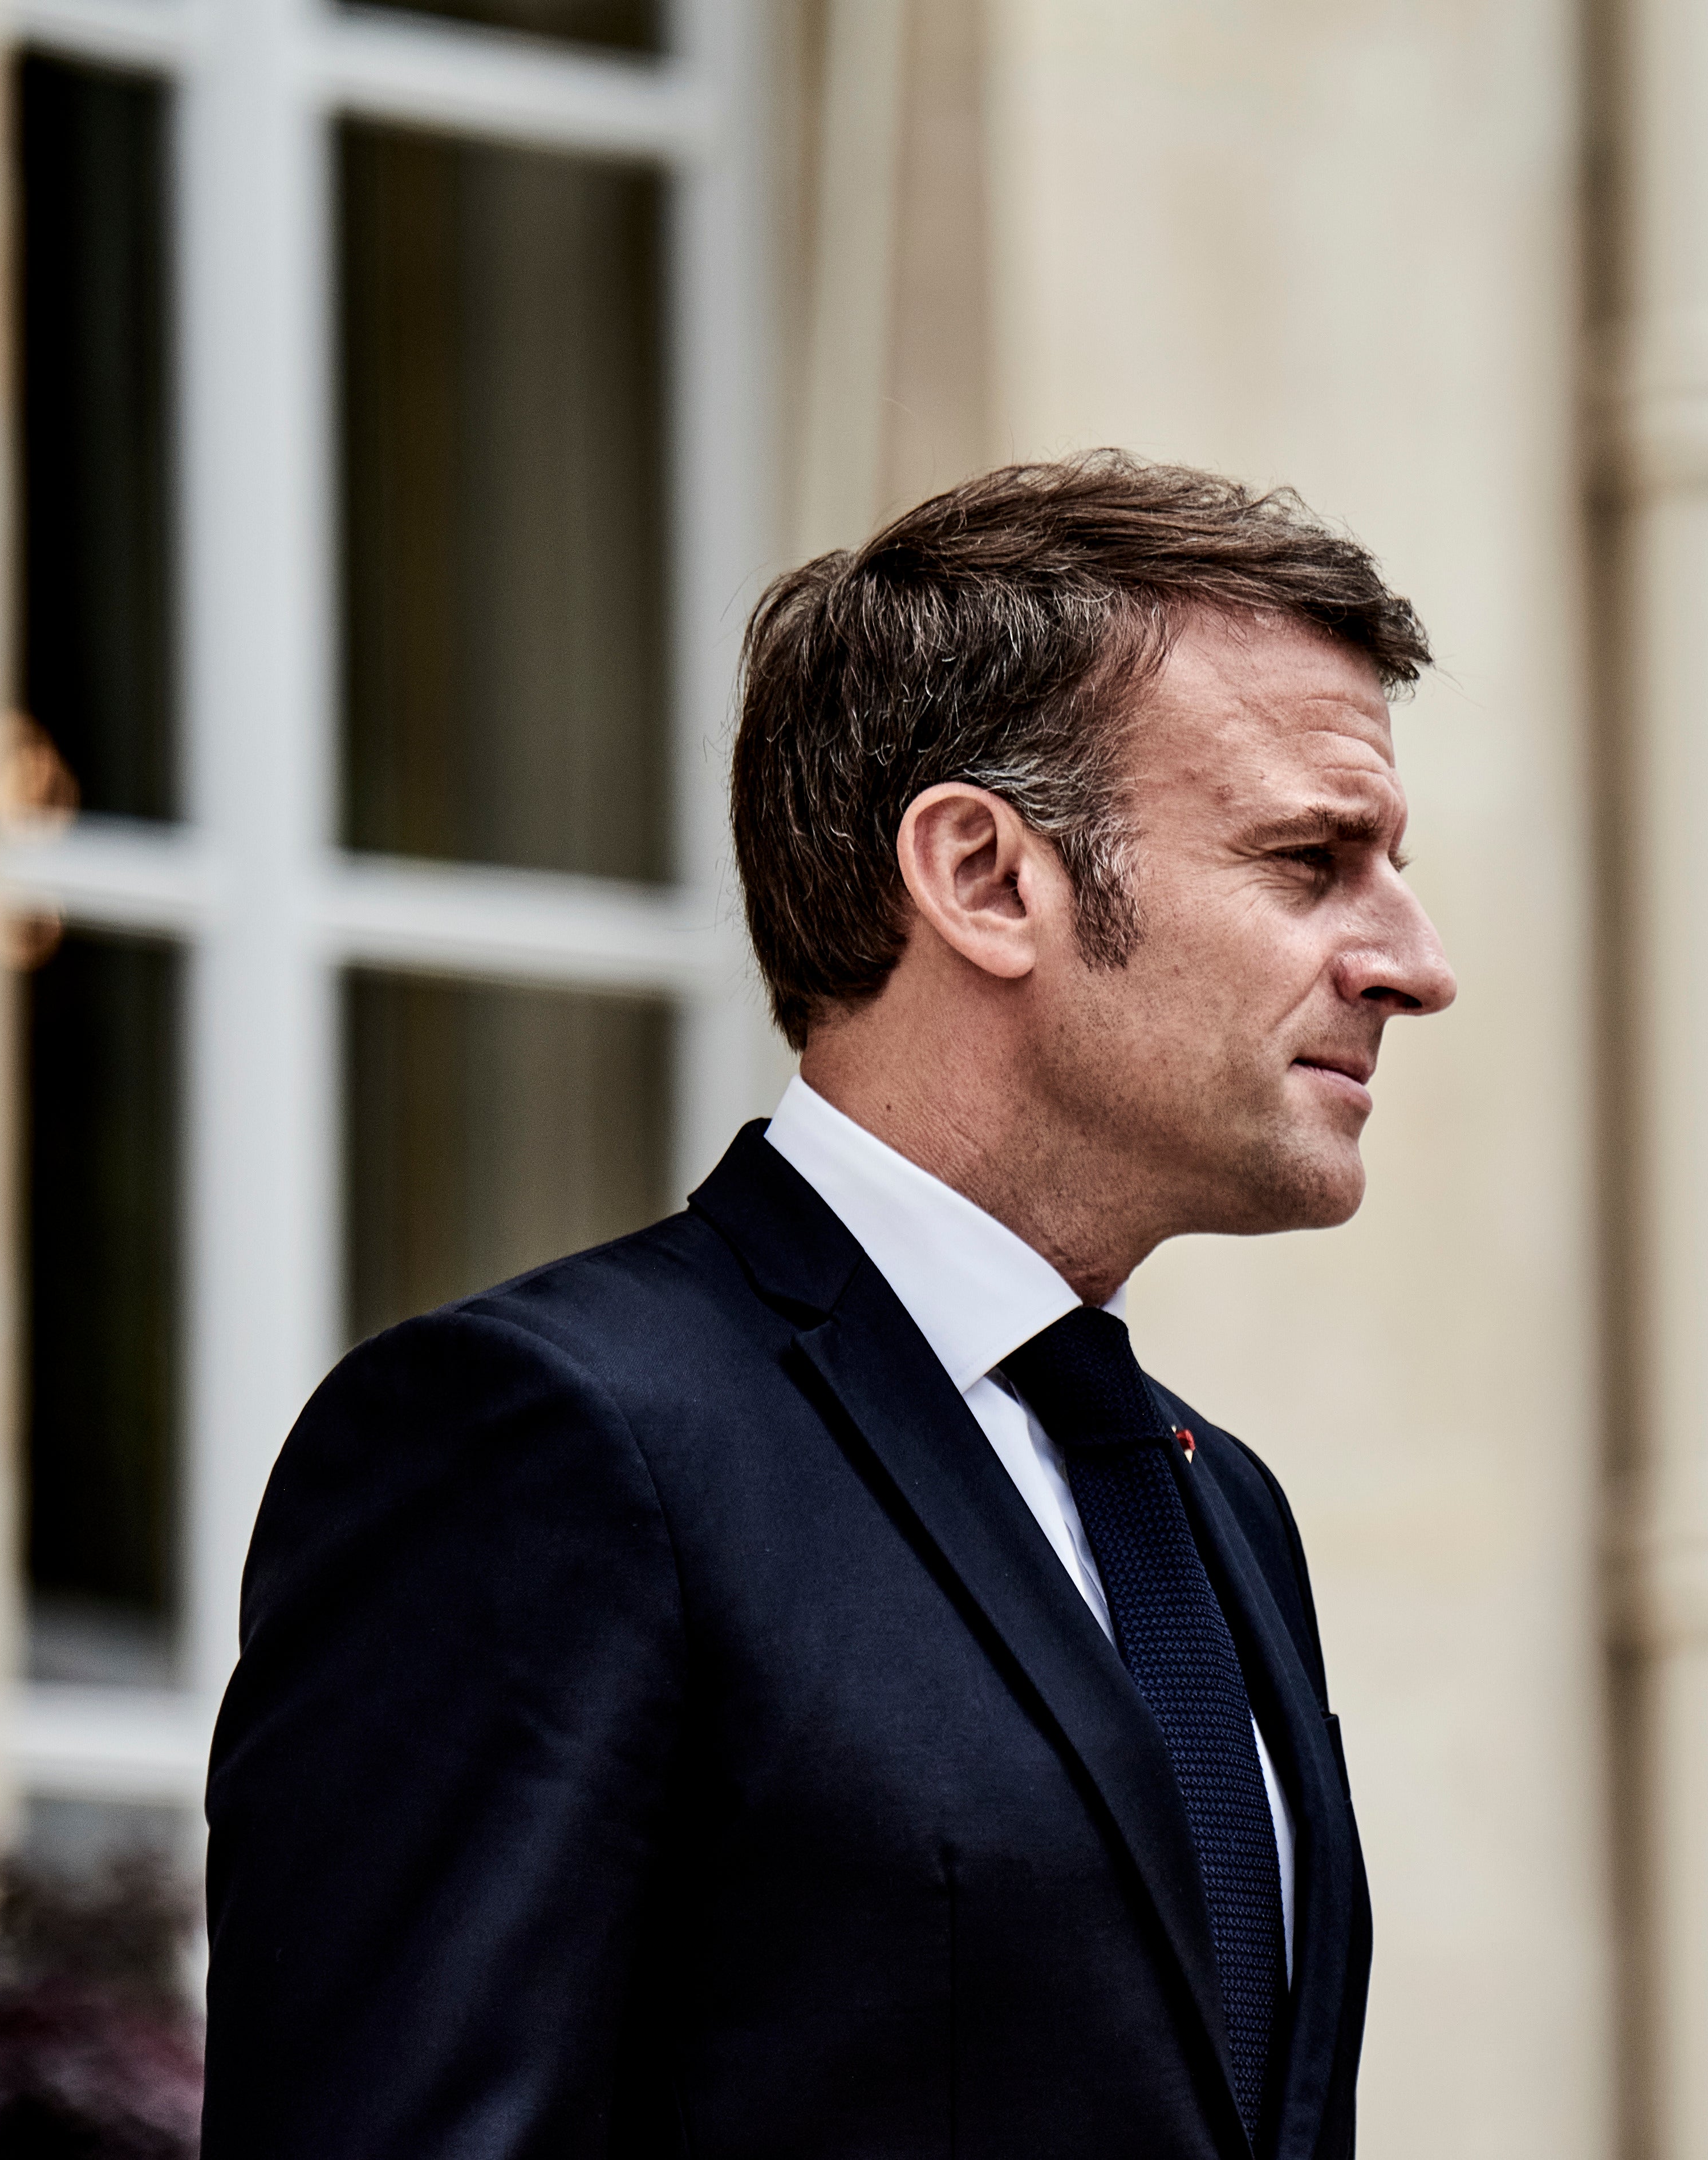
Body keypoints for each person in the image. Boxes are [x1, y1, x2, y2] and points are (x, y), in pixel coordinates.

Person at [201, 455, 1456, 2160]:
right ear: (985, 877)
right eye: (1313, 860)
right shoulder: (551, 1442)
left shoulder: (1215, 1504)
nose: (1413, 958)